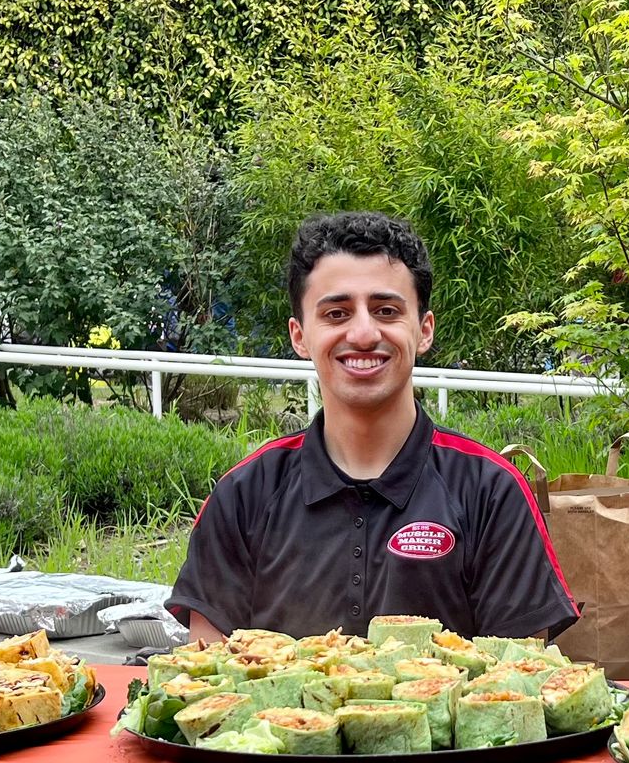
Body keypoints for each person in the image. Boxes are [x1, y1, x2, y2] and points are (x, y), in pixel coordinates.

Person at [167, 211, 579, 644]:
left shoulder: (491, 491)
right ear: (299, 335)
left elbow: (517, 690)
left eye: (385, 310)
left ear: (423, 330)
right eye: (336, 313)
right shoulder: (245, 494)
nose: (363, 334)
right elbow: (205, 683)